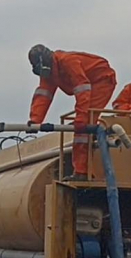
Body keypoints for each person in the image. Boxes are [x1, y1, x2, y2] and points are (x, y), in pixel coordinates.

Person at [27, 44, 117, 181]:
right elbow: (44, 95)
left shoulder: (68, 62)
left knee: (86, 123)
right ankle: (81, 170)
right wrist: (35, 120)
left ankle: (82, 172)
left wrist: (81, 118)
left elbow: (82, 89)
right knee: (83, 125)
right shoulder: (50, 71)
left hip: (102, 80)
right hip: (90, 83)